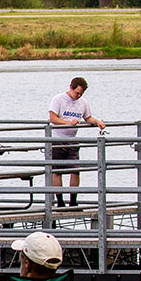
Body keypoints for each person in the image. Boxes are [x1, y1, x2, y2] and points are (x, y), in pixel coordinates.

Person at [47, 77, 106, 206]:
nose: (78, 96)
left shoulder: (83, 102)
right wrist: (67, 123)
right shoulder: (58, 99)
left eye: (81, 94)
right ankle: (60, 201)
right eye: (77, 93)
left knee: (75, 170)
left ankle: (73, 201)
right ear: (71, 88)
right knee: (57, 171)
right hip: (57, 139)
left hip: (73, 140)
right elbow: (53, 118)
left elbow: (88, 117)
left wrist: (97, 122)